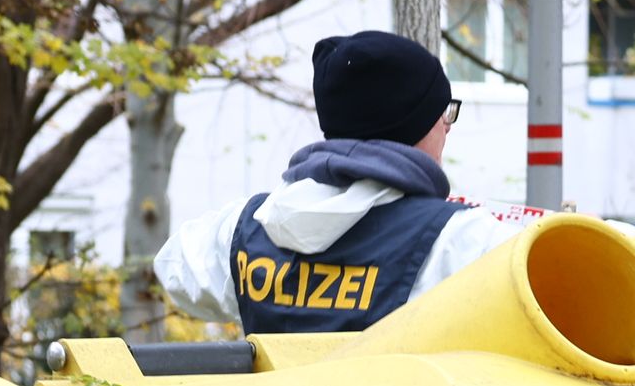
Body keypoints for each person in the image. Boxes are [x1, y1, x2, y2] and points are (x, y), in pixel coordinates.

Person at [157, 29, 540, 334]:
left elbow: (173, 269)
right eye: (443, 113)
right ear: (413, 125)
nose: (446, 126)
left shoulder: (241, 228)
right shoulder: (461, 241)